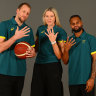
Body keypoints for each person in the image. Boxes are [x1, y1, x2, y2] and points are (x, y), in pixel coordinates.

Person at [0, 2, 35, 96]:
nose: (25, 15)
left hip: (20, 73)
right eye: (24, 11)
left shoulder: (28, 30)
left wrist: (32, 53)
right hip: (4, 73)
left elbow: (32, 50)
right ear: (17, 11)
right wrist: (15, 37)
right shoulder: (4, 25)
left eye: (28, 13)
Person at [30, 7, 67, 96]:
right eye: (47, 16)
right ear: (44, 17)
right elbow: (36, 47)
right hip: (38, 65)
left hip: (53, 65)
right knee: (36, 92)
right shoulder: (40, 29)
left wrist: (53, 42)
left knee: (53, 92)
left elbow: (59, 56)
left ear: (55, 17)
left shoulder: (60, 31)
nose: (49, 18)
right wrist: (32, 51)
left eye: (51, 16)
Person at [62, 15, 96, 96]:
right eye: (73, 23)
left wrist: (92, 78)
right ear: (70, 25)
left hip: (87, 81)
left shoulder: (90, 39)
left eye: (77, 22)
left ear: (81, 23)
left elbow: (95, 59)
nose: (75, 25)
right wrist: (66, 50)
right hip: (73, 82)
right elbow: (65, 61)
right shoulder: (69, 41)